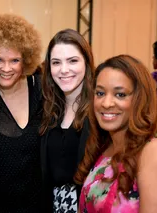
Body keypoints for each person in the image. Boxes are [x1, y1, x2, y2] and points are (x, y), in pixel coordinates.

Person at [75, 55, 157, 212]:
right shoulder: (105, 147)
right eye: (100, 93)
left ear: (140, 99)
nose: (106, 103)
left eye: (120, 94)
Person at [0, 13, 43, 213]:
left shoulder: (41, 90)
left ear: (27, 60)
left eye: (14, 60)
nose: (6, 68)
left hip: (37, 205)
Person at [40, 29, 94, 213]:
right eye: (56, 62)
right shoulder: (49, 110)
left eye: (73, 61)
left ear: (86, 62)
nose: (64, 70)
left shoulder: (99, 111)